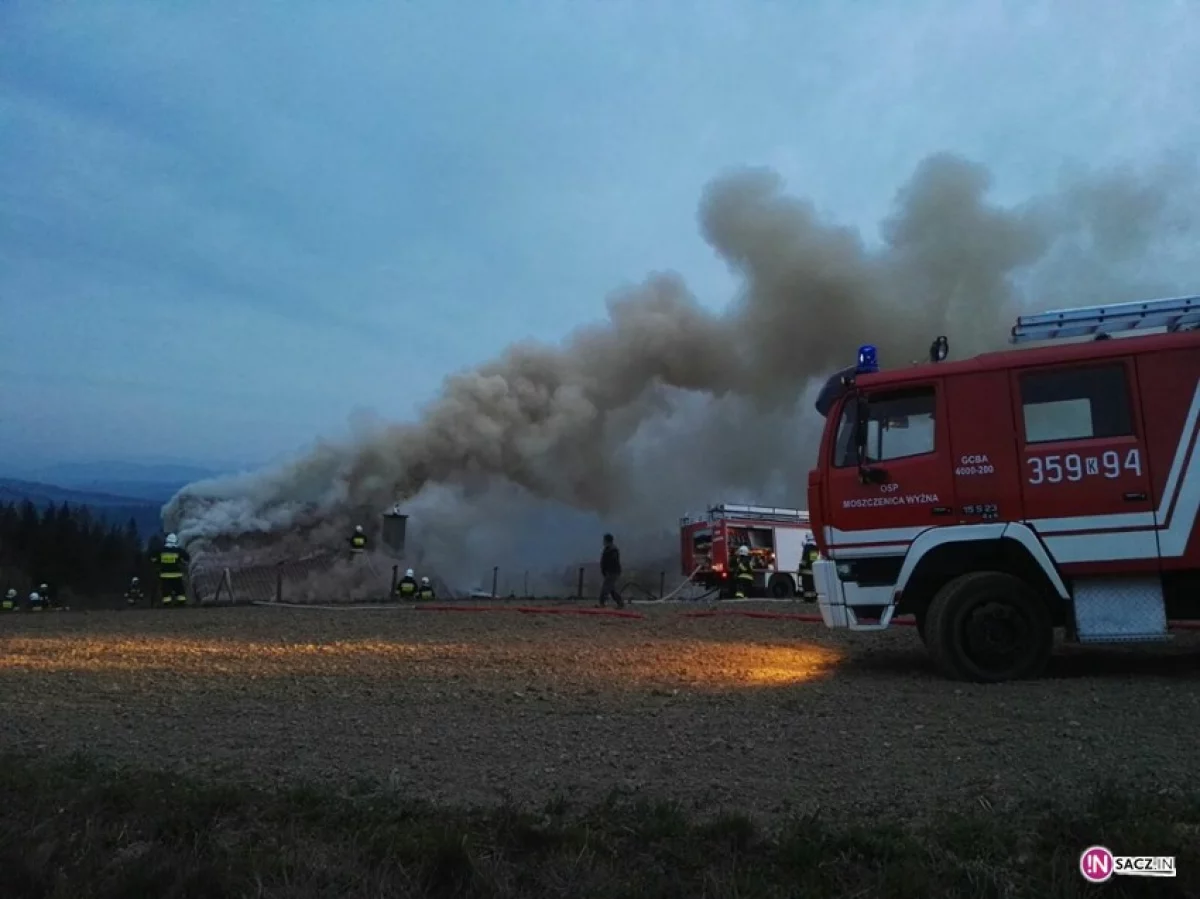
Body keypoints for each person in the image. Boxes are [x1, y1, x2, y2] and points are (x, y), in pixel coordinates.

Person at [154, 533, 190, 606]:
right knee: (179, 589)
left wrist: (158, 563)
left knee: (166, 590)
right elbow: (187, 558)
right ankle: (181, 603)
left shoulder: (161, 550)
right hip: (177, 574)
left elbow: (153, 558)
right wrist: (181, 561)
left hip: (164, 575)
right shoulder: (179, 551)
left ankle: (167, 603)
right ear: (175, 541)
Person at [598, 533, 625, 609]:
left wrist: (608, 570)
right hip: (610, 572)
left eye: (604, 540)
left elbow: (613, 561)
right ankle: (620, 603)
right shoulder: (609, 549)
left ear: (607, 540)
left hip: (612, 572)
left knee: (605, 587)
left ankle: (602, 603)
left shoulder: (613, 550)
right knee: (611, 589)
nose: (603, 542)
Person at [799, 535, 820, 602]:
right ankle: (813, 599)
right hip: (812, 570)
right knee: (811, 585)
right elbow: (813, 559)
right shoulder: (815, 547)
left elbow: (804, 559)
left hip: (806, 570)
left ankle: (807, 599)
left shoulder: (807, 547)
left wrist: (801, 567)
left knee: (806, 585)